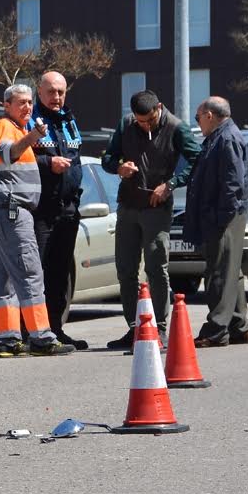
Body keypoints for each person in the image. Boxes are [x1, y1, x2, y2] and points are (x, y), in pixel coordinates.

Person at [100, 90, 202, 349]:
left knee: (156, 268)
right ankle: (134, 327)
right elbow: (108, 158)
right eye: (140, 121)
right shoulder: (126, 124)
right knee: (125, 270)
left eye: (149, 119)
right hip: (127, 205)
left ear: (159, 107)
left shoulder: (177, 128)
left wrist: (171, 184)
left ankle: (160, 326)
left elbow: (197, 158)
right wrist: (119, 167)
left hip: (156, 207)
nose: (145, 124)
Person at [0, 84, 75, 357]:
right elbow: (9, 153)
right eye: (21, 102)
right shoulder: (5, 127)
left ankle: (7, 340)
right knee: (31, 273)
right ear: (6, 105)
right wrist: (34, 135)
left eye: (30, 102)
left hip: (5, 211)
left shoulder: (13, 129)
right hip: (12, 212)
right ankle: (42, 337)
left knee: (7, 277)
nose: (27, 107)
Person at [183, 96, 248, 347]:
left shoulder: (226, 138)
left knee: (219, 272)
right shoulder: (220, 137)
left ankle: (216, 330)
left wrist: (220, 218)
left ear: (209, 116)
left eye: (197, 117)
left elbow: (233, 184)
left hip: (224, 217)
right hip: (223, 215)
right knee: (231, 271)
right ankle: (238, 325)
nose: (197, 122)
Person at [30, 71, 88, 350]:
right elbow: (19, 155)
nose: (56, 97)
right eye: (51, 91)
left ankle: (55, 329)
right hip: (41, 209)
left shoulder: (69, 120)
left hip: (68, 209)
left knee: (60, 272)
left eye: (61, 92)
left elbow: (75, 159)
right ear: (39, 92)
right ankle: (32, 333)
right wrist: (47, 164)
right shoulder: (29, 119)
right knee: (36, 272)